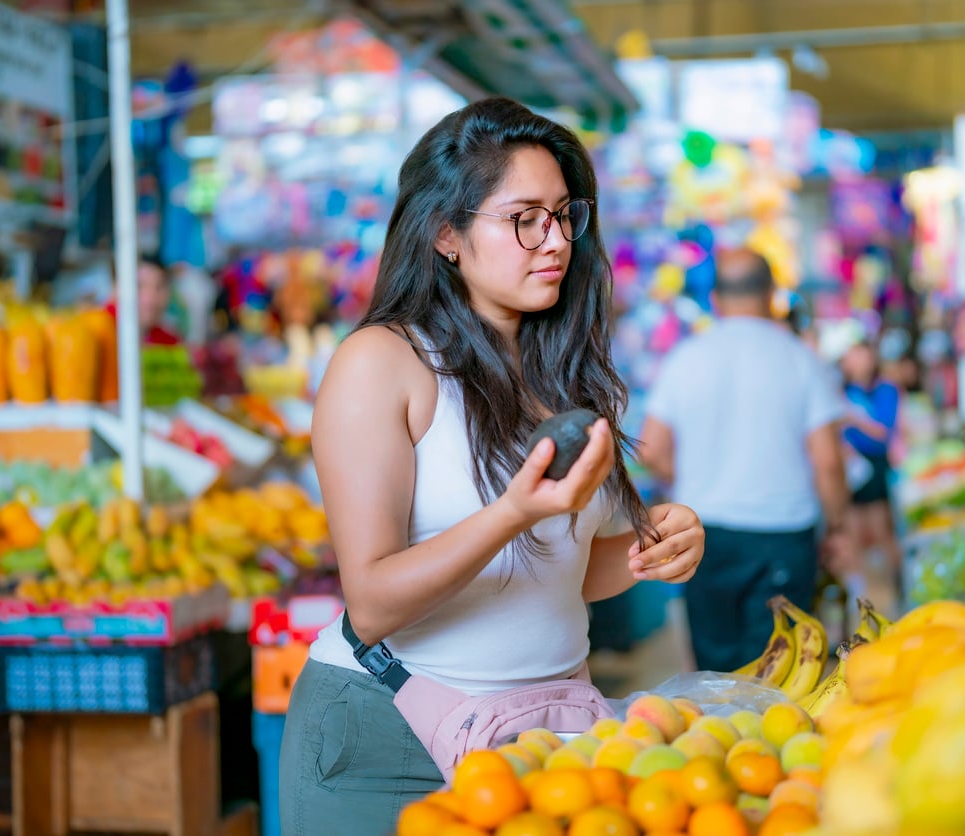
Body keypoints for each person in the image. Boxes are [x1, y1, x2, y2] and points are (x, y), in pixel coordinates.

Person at [278, 97, 705, 834]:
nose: (555, 241)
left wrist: (648, 552)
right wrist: (512, 512)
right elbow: (373, 602)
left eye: (564, 214)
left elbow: (557, 571)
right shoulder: (382, 363)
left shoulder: (563, 370)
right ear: (446, 233)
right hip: (386, 740)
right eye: (523, 218)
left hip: (542, 737)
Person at [638, 248, 850, 674]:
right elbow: (828, 462)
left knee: (716, 674)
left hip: (704, 535)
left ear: (715, 298)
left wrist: (700, 478)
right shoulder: (801, 359)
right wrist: (838, 527)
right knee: (782, 673)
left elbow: (651, 450)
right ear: (772, 293)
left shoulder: (685, 358)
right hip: (784, 538)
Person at [840, 340, 903, 585]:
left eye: (862, 356)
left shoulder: (885, 390)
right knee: (852, 530)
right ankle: (859, 590)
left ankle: (898, 582)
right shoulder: (842, 392)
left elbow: (883, 432)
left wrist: (853, 419)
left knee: (880, 527)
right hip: (851, 467)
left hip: (875, 466)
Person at [106, 257, 181, 346]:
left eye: (159, 287)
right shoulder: (96, 332)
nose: (150, 298)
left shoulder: (169, 344)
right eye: (139, 286)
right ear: (115, 288)